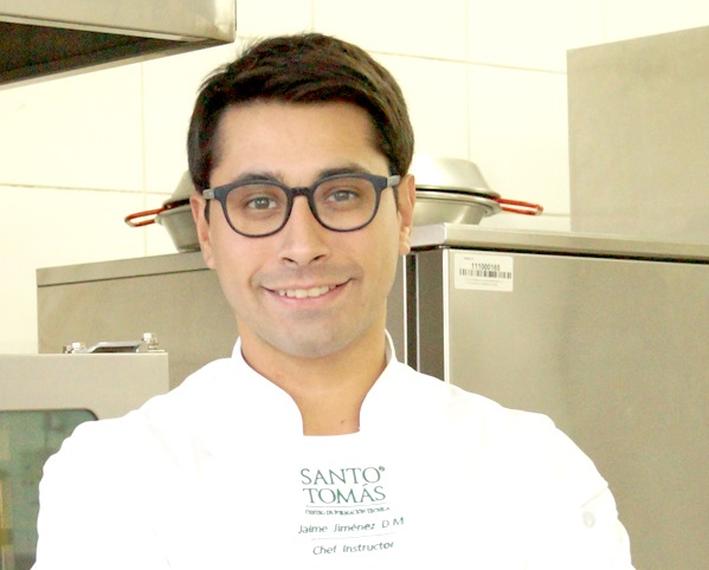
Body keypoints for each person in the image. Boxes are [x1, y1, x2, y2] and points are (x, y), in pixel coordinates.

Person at [33, 33, 634, 569]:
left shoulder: (532, 468)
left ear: (403, 212)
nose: (303, 245)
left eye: (342, 194)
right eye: (259, 201)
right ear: (206, 229)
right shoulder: (115, 476)